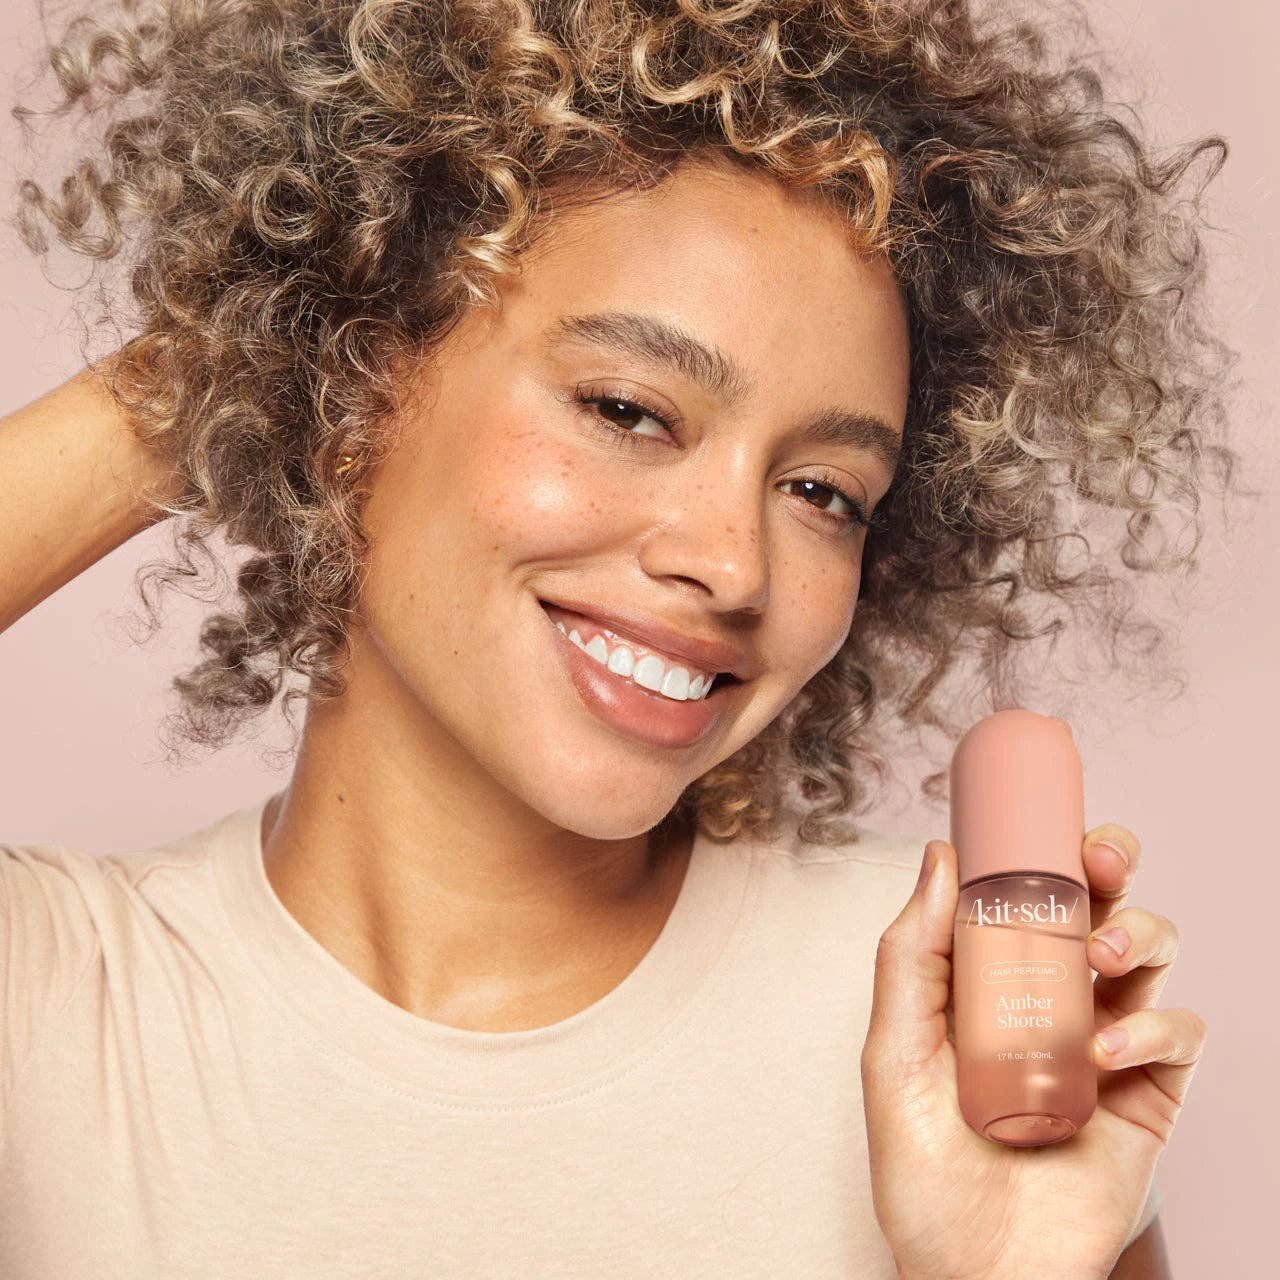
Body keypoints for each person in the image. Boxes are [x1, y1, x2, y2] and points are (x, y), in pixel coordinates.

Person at [0, 1, 1237, 1276]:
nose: (735, 562)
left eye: (821, 493)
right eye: (630, 409)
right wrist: (252, 339)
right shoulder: (55, 1001)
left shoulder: (955, 1013)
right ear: (355, 383)